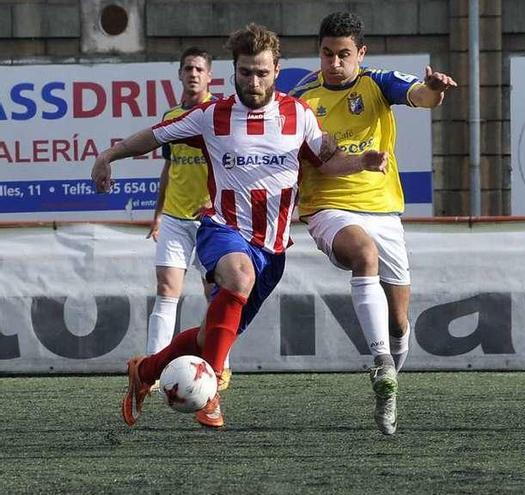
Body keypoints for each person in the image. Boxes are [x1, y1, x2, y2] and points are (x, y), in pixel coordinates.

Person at [91, 23, 388, 429]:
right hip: (222, 229)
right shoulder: (212, 116)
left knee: (209, 335)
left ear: (277, 70)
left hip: (273, 249)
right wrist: (109, 155)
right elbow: (154, 136)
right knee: (238, 275)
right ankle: (210, 392)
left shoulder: (298, 115)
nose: (253, 80)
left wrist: (363, 162)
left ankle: (144, 372)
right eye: (245, 72)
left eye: (262, 72)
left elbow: (327, 160)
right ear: (233, 71)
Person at [290, 11, 456, 435]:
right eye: (327, 54)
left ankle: (389, 386)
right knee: (363, 254)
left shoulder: (378, 82)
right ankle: (380, 361)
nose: (334, 62)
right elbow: (309, 161)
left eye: (344, 54)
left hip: (384, 211)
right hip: (328, 208)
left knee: (400, 321)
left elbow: (418, 95)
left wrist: (434, 90)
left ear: (360, 54)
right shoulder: (302, 98)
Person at [145, 47, 233, 392]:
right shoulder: (171, 116)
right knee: (167, 290)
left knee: (216, 294)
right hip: (174, 218)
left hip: (211, 219)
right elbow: (169, 167)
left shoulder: (219, 114)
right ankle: (152, 369)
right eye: (188, 68)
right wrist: (157, 215)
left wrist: (216, 199)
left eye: (199, 68)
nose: (193, 74)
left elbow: (231, 165)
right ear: (180, 75)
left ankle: (220, 365)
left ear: (210, 76)